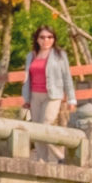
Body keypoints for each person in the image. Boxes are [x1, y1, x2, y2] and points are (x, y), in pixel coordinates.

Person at [20, 24, 74, 162]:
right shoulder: (31, 56)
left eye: (50, 37)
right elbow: (27, 78)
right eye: (42, 37)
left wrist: (71, 99)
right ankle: (42, 161)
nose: (46, 40)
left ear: (54, 39)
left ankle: (60, 156)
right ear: (37, 39)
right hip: (34, 96)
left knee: (45, 126)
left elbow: (67, 77)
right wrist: (26, 98)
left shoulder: (59, 55)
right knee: (37, 130)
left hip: (53, 95)